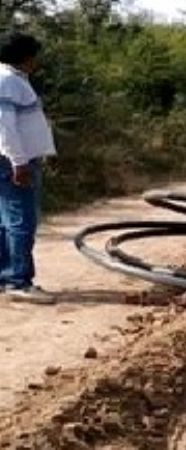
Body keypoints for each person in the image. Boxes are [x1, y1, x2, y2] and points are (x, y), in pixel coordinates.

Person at [0, 32, 56, 303]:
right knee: (21, 221)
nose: (37, 60)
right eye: (35, 55)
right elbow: (4, 127)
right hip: (13, 162)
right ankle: (18, 282)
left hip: (10, 160)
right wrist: (19, 163)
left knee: (6, 222)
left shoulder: (11, 79)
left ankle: (6, 277)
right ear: (26, 57)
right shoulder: (8, 81)